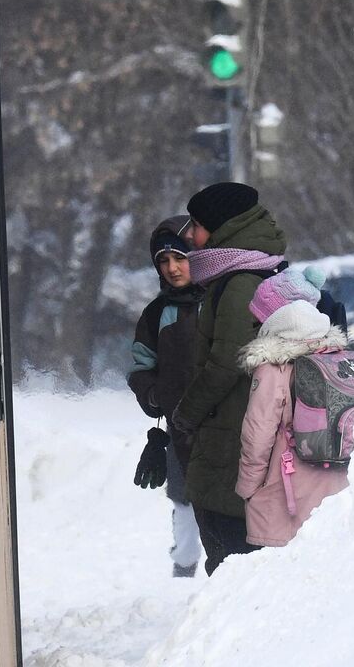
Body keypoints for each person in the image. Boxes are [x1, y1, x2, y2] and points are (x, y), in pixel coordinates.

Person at [171, 181, 288, 573]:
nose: (188, 235)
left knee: (231, 564)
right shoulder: (259, 267)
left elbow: (227, 361)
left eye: (197, 225)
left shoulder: (239, 283)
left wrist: (185, 414)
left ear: (222, 228)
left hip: (233, 437)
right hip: (242, 431)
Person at [236, 269, 353, 548]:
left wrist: (248, 487)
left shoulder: (272, 367)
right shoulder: (338, 355)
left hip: (288, 491)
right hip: (339, 486)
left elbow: (258, 434)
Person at [127, 215, 203, 578]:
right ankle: (183, 571)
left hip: (229, 427)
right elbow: (142, 365)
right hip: (179, 428)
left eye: (180, 257)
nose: (172, 268)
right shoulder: (157, 314)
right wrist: (155, 396)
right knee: (183, 501)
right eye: (164, 261)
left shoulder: (222, 302)